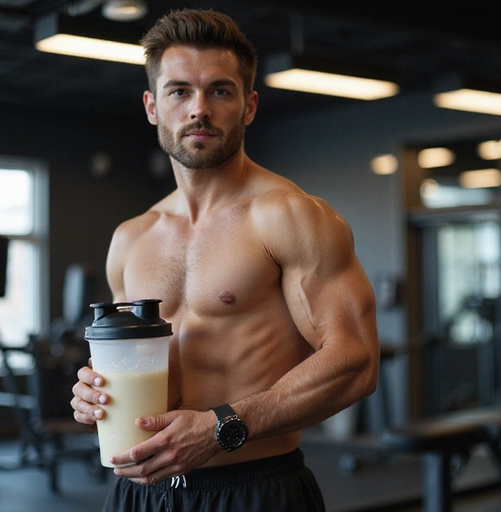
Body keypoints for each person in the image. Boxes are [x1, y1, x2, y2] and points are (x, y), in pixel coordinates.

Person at [70, 8, 379, 511]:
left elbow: (356, 361)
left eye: (219, 90)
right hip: (139, 492)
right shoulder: (131, 238)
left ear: (249, 106)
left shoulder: (290, 216)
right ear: (152, 106)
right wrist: (95, 392)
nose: (199, 109)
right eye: (179, 91)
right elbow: (133, 365)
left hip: (255, 487)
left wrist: (221, 428)